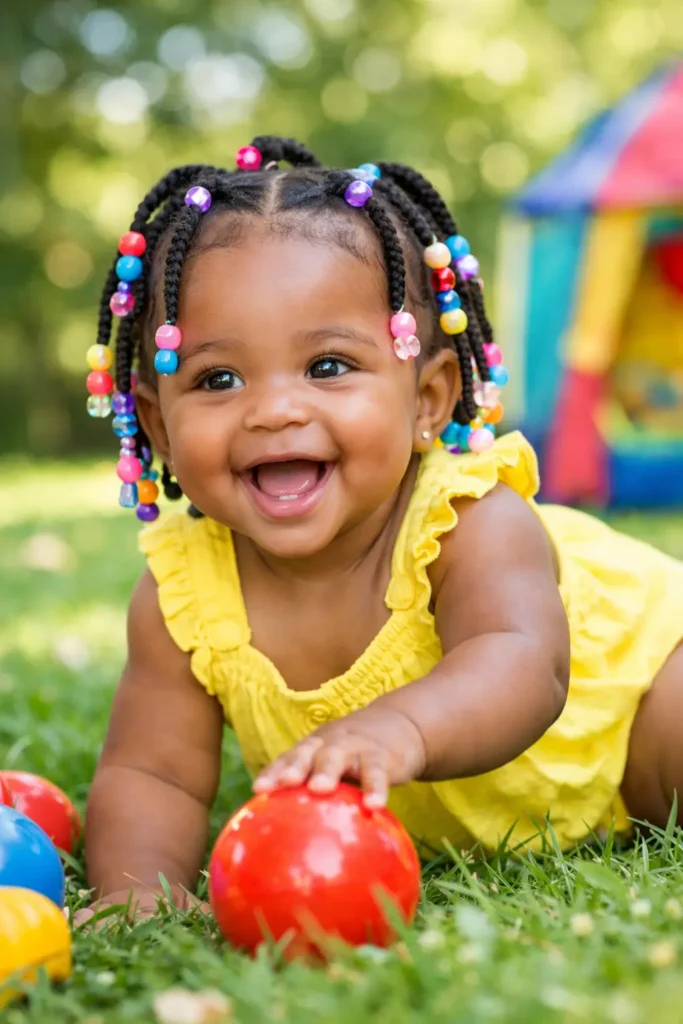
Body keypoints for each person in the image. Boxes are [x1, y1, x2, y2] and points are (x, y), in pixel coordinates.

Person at [78, 136, 683, 923]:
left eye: (327, 366)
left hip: (634, 708)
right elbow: (150, 773)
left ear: (429, 397)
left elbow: (526, 666)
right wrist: (135, 893)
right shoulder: (183, 597)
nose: (275, 409)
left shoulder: (468, 518)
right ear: (157, 425)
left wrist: (397, 727)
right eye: (217, 379)